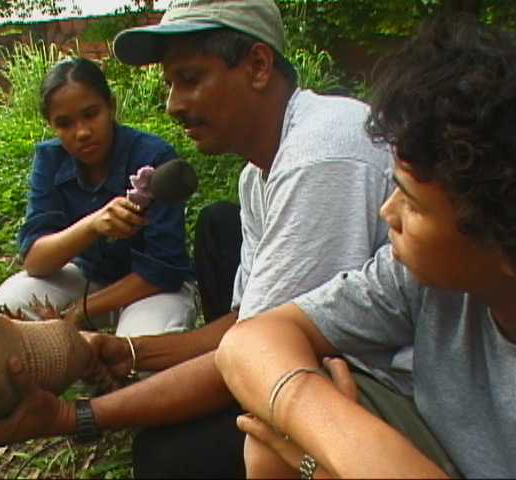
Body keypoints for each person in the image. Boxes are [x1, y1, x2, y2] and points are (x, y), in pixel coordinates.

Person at [0, 1, 395, 477]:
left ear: (259, 66)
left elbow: (259, 354)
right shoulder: (255, 175)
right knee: (220, 227)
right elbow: (244, 327)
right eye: (170, 85)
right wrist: (128, 351)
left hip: (385, 381)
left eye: (189, 79)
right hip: (296, 342)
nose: (173, 105)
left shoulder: (319, 158)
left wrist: (74, 416)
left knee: (167, 459)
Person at [215, 14, 516, 478]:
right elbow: (249, 342)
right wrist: (350, 446)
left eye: (413, 204)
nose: (387, 212)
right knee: (270, 446)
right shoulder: (419, 278)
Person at [0, 57, 197, 338]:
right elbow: (36, 261)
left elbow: (164, 271)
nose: (82, 132)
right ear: (51, 125)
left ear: (111, 106)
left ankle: (97, 348)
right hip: (90, 278)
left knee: (142, 345)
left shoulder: (153, 157)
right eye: (64, 124)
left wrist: (82, 309)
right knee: (10, 303)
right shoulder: (51, 159)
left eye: (91, 114)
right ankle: (74, 355)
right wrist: (92, 225)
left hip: (150, 290)